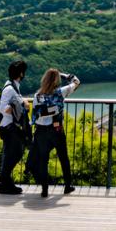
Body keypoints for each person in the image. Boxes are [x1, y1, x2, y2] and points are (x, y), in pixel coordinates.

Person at [27, 66, 80, 197]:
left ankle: (44, 190)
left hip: (41, 132)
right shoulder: (60, 92)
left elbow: (35, 115)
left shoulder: (37, 96)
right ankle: (67, 186)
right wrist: (63, 74)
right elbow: (76, 82)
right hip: (56, 130)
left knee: (43, 160)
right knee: (63, 158)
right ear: (57, 80)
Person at [0, 59, 31, 194]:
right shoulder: (9, 88)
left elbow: (15, 100)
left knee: (11, 154)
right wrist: (20, 104)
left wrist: (21, 101)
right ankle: (3, 181)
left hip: (10, 126)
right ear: (20, 73)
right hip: (9, 127)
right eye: (23, 71)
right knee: (15, 153)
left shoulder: (13, 86)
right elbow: (4, 108)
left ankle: (3, 182)